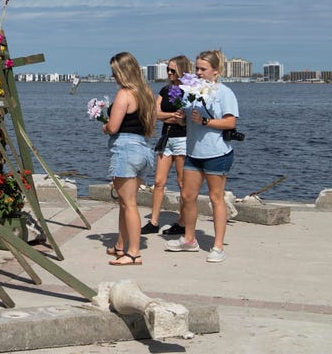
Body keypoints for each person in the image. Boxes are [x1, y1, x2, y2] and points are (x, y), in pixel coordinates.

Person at [165, 50, 239, 263]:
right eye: (197, 68)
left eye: (203, 69)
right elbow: (188, 120)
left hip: (217, 153)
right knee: (188, 196)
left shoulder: (224, 93)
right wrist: (181, 119)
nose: (198, 72)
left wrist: (205, 122)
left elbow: (230, 122)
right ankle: (189, 239)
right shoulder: (191, 93)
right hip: (194, 153)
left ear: (215, 71)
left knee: (216, 198)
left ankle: (217, 246)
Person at [102, 52, 156, 266]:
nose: (113, 76)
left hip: (125, 148)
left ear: (122, 72)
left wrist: (104, 126)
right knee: (125, 203)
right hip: (143, 148)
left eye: (114, 72)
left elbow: (113, 127)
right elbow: (150, 125)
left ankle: (133, 253)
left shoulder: (124, 94)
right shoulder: (147, 94)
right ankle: (120, 244)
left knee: (129, 203)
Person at [141, 55, 191, 236]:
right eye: (168, 70)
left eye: (172, 70)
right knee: (158, 181)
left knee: (181, 182)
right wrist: (172, 117)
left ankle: (183, 222)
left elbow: (185, 118)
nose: (169, 73)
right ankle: (153, 222)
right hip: (166, 138)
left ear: (181, 70)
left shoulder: (189, 91)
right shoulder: (165, 90)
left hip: (182, 140)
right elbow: (155, 113)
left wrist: (172, 117)